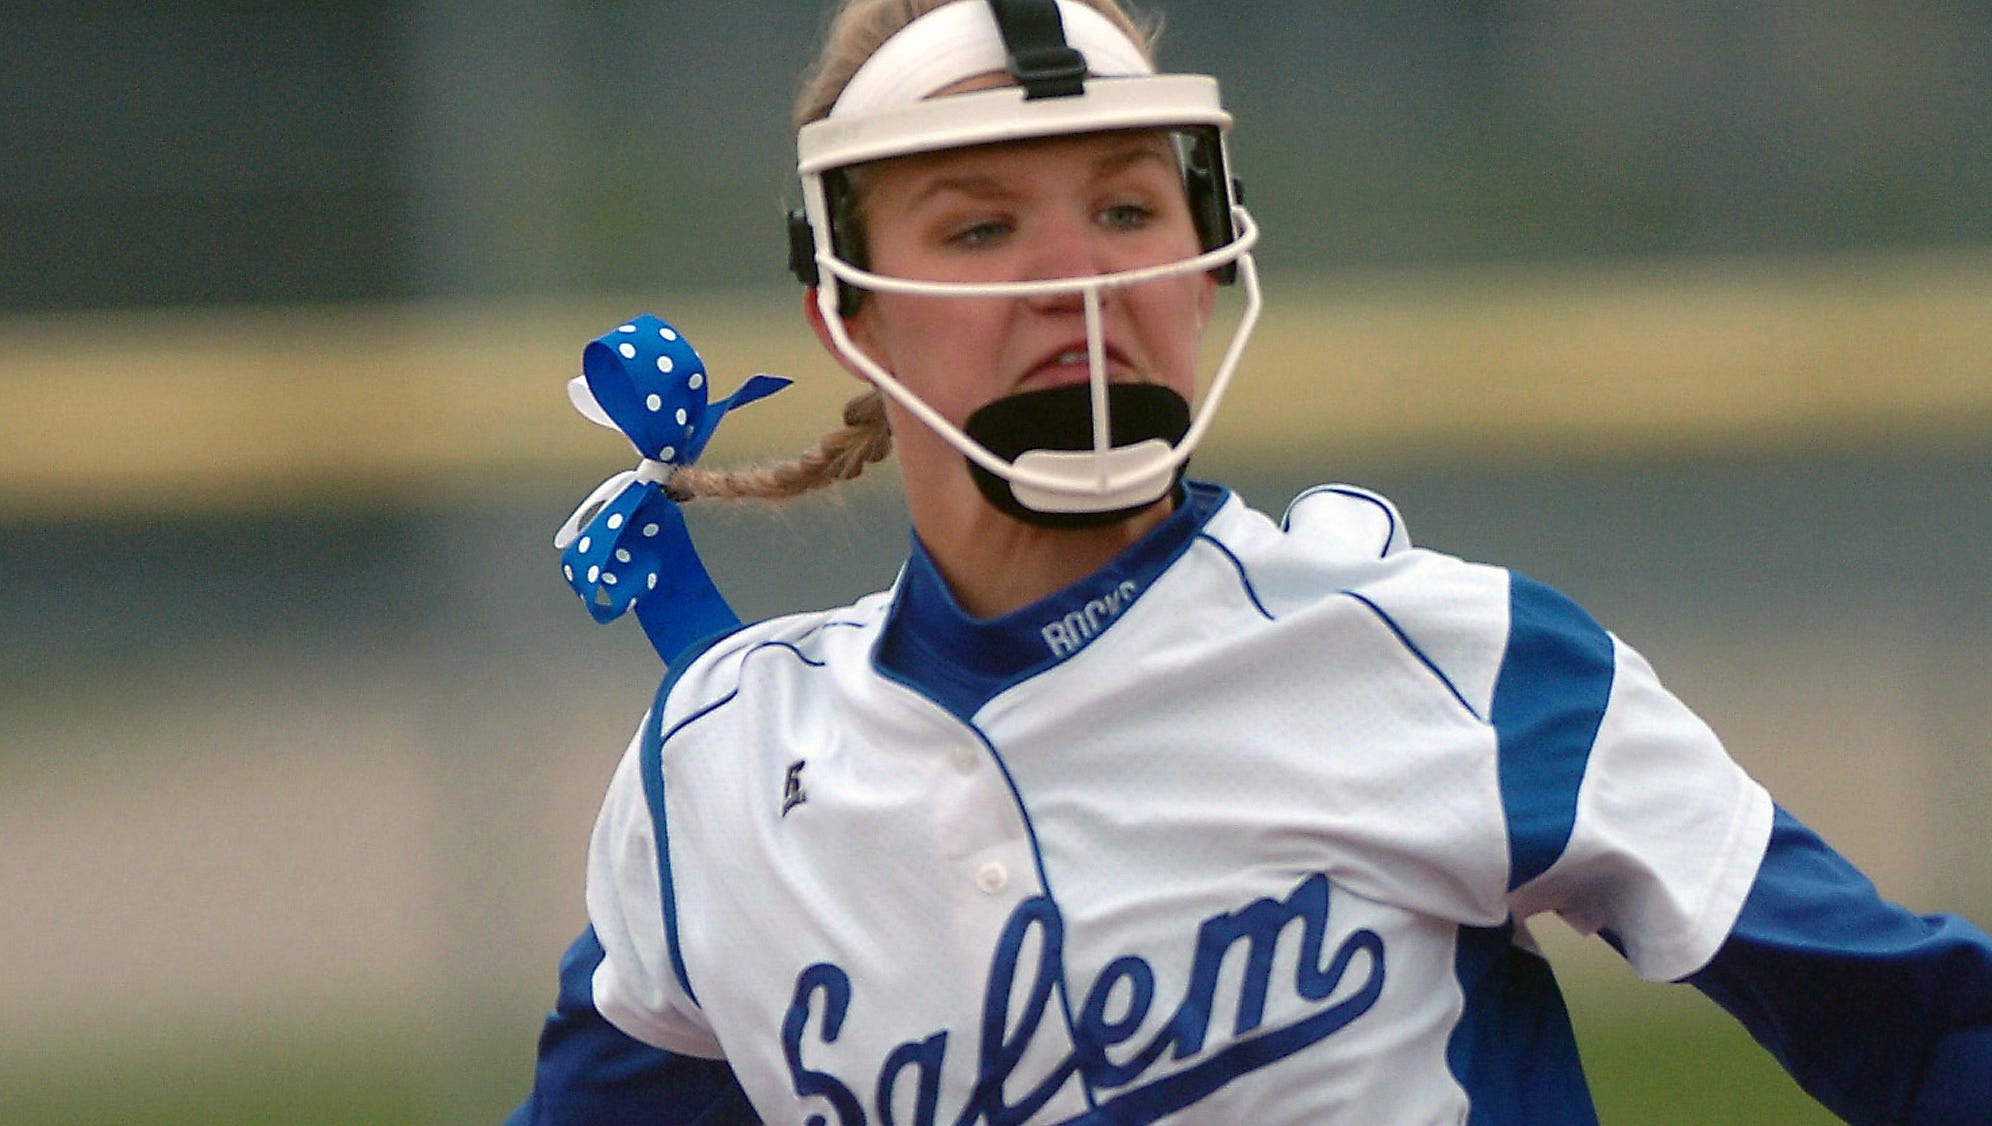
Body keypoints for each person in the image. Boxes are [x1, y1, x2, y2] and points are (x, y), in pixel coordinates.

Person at [508, 1, 1992, 1122]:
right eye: (979, 226)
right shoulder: (718, 775)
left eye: (1127, 209)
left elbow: (1928, 1031)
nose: (1078, 276)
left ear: (1207, 263)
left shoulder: (1447, 660)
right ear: (849, 312)